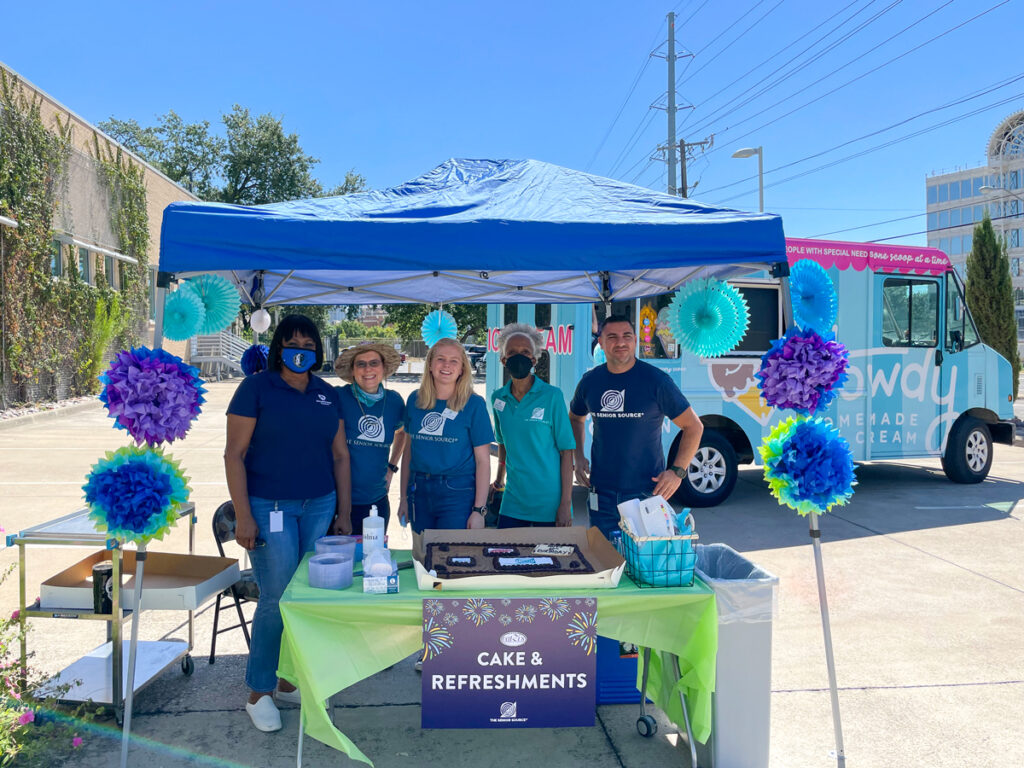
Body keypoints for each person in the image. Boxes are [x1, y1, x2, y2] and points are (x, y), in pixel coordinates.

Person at [224, 314, 352, 733]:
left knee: (308, 598)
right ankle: (259, 691)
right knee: (276, 597)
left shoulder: (325, 394)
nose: (301, 350)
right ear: (279, 346)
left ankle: (286, 679)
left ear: (318, 351)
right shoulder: (256, 388)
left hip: (320, 505)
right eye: (293, 342)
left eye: (309, 344)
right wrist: (243, 515)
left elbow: (339, 456)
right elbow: (233, 455)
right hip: (268, 506)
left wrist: (344, 513)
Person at [570, 314, 703, 539]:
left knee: (644, 567)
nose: (620, 342)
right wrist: (579, 456)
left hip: (646, 492)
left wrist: (678, 472)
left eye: (626, 336)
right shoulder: (590, 382)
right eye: (612, 336)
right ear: (600, 342)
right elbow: (575, 418)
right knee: (605, 563)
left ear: (635, 341)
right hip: (601, 492)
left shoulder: (656, 381)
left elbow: (693, 426)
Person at [398, 338, 493, 533]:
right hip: (419, 490)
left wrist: (478, 510)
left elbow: (483, 461)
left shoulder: (474, 404)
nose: (446, 365)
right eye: (440, 359)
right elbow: (408, 453)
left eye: (454, 361)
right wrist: (404, 499)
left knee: (451, 557)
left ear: (462, 369)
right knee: (423, 555)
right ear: (430, 365)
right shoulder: (414, 400)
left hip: (457, 493)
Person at [490, 323, 575, 527]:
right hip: (512, 502)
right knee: (504, 557)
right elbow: (503, 445)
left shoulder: (552, 396)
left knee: (549, 559)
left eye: (525, 352)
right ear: (503, 360)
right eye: (512, 352)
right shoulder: (498, 399)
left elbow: (567, 452)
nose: (518, 356)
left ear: (534, 360)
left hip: (550, 503)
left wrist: (565, 504)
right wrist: (499, 481)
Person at [334, 342, 406, 534]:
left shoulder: (394, 401)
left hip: (377, 501)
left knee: (374, 560)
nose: (368, 369)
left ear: (383, 368)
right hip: (337, 502)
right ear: (352, 370)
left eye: (374, 363)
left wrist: (392, 467)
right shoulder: (338, 397)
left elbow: (402, 432)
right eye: (361, 364)